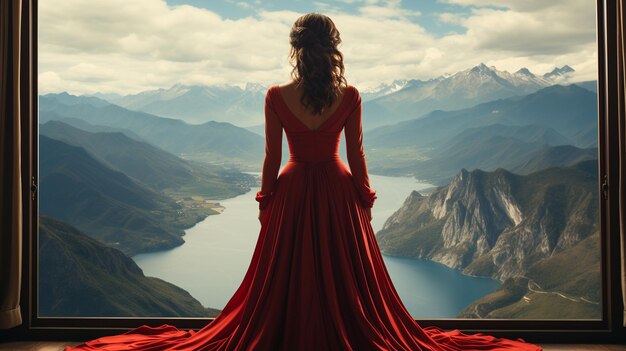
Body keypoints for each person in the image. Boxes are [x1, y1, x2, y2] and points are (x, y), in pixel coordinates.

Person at [65, 13, 542, 351]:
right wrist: (365, 196)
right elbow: (356, 155)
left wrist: (265, 201)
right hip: (336, 190)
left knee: (282, 279)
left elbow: (272, 156)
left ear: (296, 50)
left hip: (292, 191)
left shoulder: (276, 95)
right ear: (332, 50)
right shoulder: (350, 95)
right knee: (347, 278)